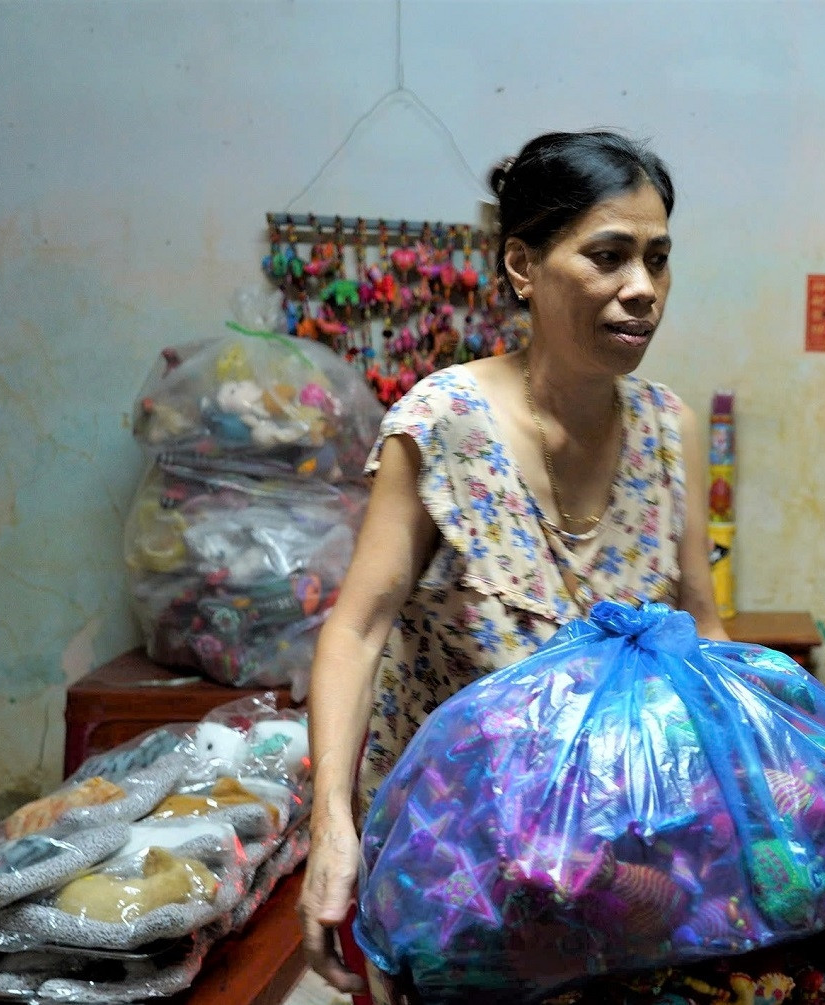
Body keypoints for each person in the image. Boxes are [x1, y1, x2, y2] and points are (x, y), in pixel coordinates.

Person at [299, 131, 727, 994]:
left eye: (658, 258)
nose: (642, 289)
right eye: (607, 256)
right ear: (523, 266)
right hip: (455, 858)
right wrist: (331, 827)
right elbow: (357, 628)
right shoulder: (444, 423)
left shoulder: (669, 427)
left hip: (617, 858)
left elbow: (702, 630)